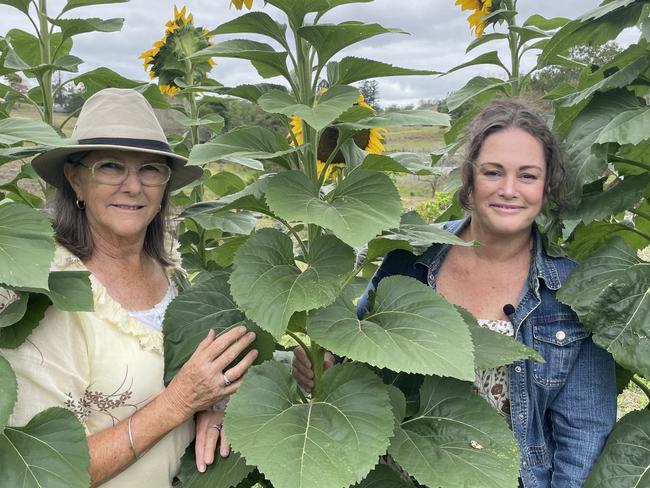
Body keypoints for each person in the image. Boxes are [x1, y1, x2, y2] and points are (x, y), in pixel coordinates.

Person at [293, 99, 617, 487]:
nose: (509, 190)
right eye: (493, 172)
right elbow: (358, 351)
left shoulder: (572, 293)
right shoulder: (410, 255)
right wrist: (324, 365)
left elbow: (583, 434)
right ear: (470, 177)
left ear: (548, 185)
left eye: (528, 176)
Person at [1, 88, 256, 487]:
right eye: (110, 167)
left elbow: (199, 373)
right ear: (75, 180)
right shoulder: (47, 294)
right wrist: (180, 402)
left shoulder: (172, 271)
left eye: (151, 169)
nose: (133, 186)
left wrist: (213, 404)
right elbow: (44, 471)